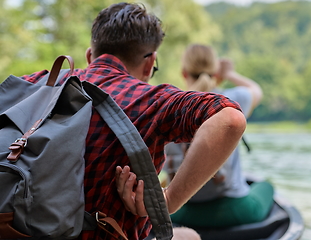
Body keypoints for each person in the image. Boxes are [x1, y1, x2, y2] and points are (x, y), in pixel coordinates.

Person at [19, 3, 246, 240]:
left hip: (18, 231)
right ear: (150, 63)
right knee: (190, 236)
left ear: (89, 56)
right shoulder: (153, 101)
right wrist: (167, 201)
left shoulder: (36, 86)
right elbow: (229, 119)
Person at [165, 44, 274, 228]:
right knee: (267, 187)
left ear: (184, 73)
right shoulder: (232, 99)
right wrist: (230, 74)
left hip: (182, 214)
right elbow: (256, 90)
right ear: (215, 73)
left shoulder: (168, 106)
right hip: (232, 211)